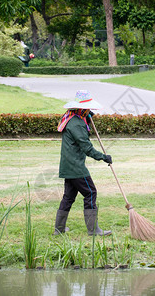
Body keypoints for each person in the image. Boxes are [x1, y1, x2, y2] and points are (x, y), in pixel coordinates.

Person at [54, 90, 113, 236]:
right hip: (76, 167)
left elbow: (83, 124)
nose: (89, 111)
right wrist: (103, 157)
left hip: (68, 165)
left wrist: (88, 116)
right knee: (90, 192)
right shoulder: (77, 124)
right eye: (88, 109)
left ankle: (59, 229)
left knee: (68, 197)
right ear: (82, 108)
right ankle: (93, 230)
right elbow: (87, 147)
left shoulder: (71, 117)